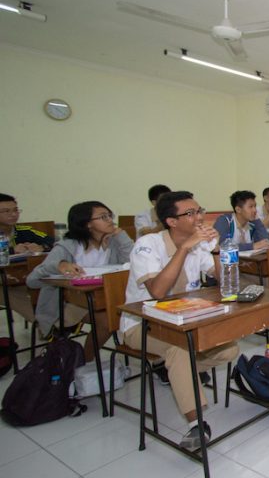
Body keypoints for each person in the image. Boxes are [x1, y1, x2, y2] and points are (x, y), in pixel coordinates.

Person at [122, 191, 238, 450]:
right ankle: (196, 424)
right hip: (143, 323)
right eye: (191, 213)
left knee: (229, 348)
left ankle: (175, 371)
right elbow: (158, 292)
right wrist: (184, 248)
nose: (200, 218)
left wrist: (218, 249)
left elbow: (223, 280)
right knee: (179, 349)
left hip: (184, 320)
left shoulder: (199, 244)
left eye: (200, 211)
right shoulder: (147, 245)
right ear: (171, 221)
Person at [27, 201, 133, 358]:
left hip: (101, 298)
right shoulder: (68, 246)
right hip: (67, 302)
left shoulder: (112, 242)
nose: (110, 220)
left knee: (115, 315)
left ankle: (84, 360)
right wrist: (59, 265)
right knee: (108, 320)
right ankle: (86, 359)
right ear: (88, 224)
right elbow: (32, 280)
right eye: (103, 217)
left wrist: (121, 236)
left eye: (110, 215)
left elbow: (134, 262)